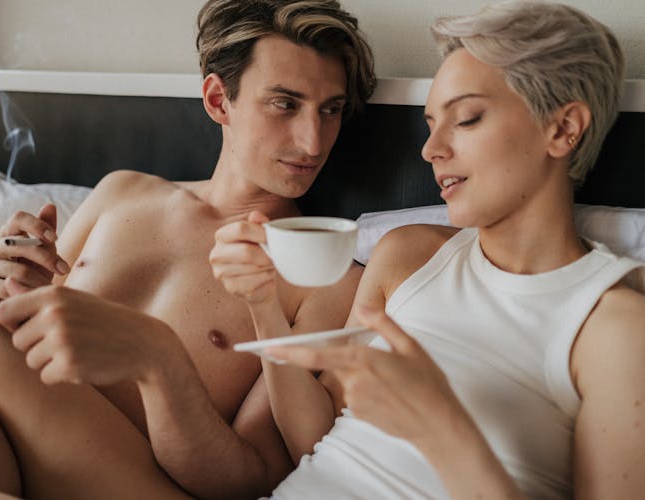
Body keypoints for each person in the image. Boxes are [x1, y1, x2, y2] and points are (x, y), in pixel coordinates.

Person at [0, 1, 375, 498]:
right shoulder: (121, 193)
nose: (312, 141)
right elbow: (22, 348)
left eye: (331, 110)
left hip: (152, 485)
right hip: (30, 461)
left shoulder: (326, 277)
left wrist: (162, 365)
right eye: (285, 103)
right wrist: (5, 287)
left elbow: (251, 478)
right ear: (218, 100)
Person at [213, 1, 645, 498]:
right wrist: (264, 305)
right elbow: (317, 441)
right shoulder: (407, 256)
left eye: (465, 119)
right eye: (430, 123)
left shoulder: (614, 328)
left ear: (563, 129)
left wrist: (442, 431)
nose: (430, 149)